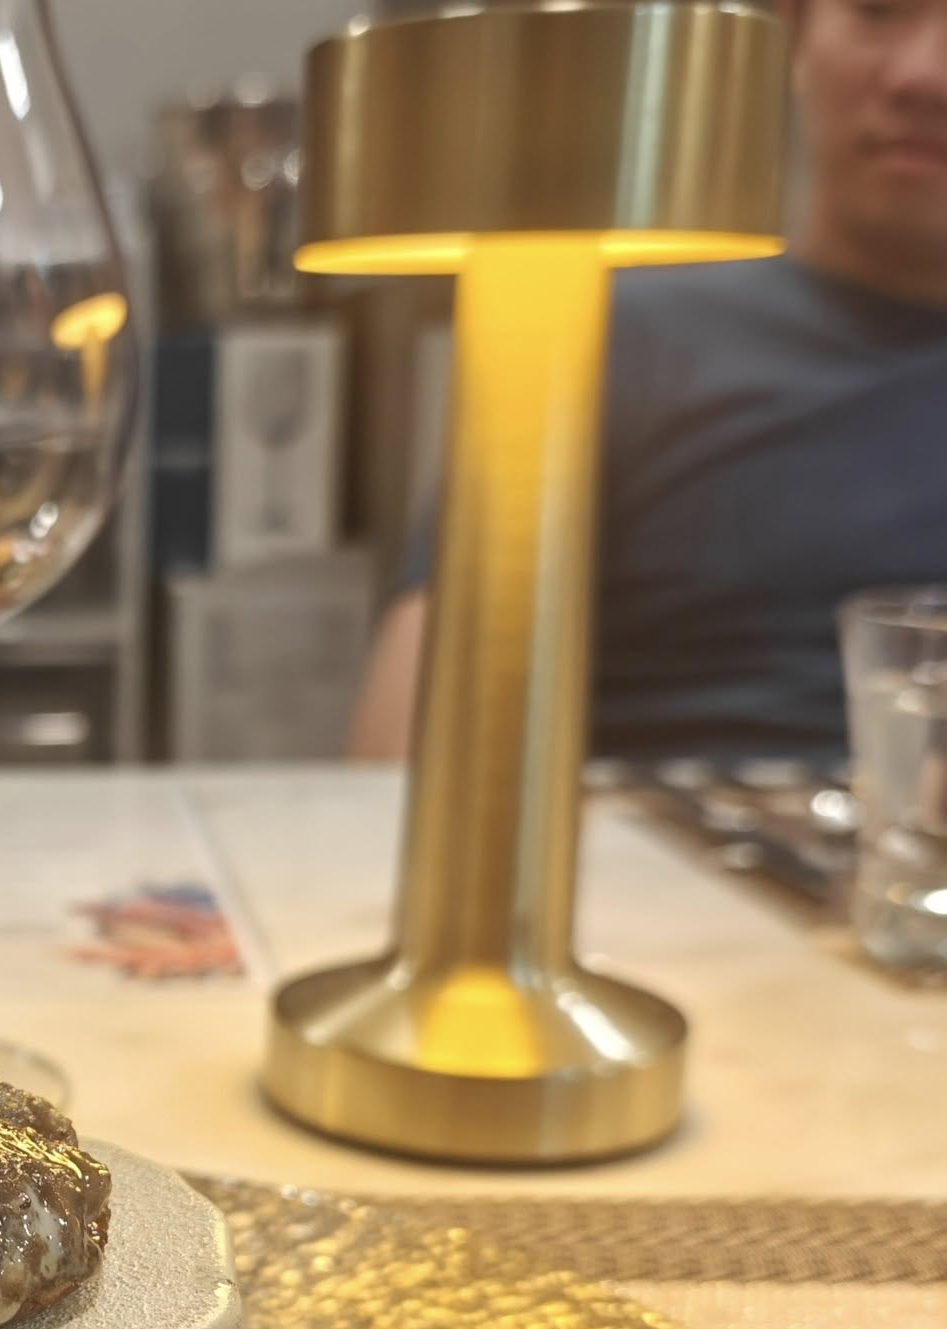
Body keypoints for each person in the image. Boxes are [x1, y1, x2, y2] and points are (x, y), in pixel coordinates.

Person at [349, 0, 947, 763]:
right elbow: (406, 745)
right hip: (656, 824)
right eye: (879, 9)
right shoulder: (609, 336)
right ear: (794, 35)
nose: (923, 76)